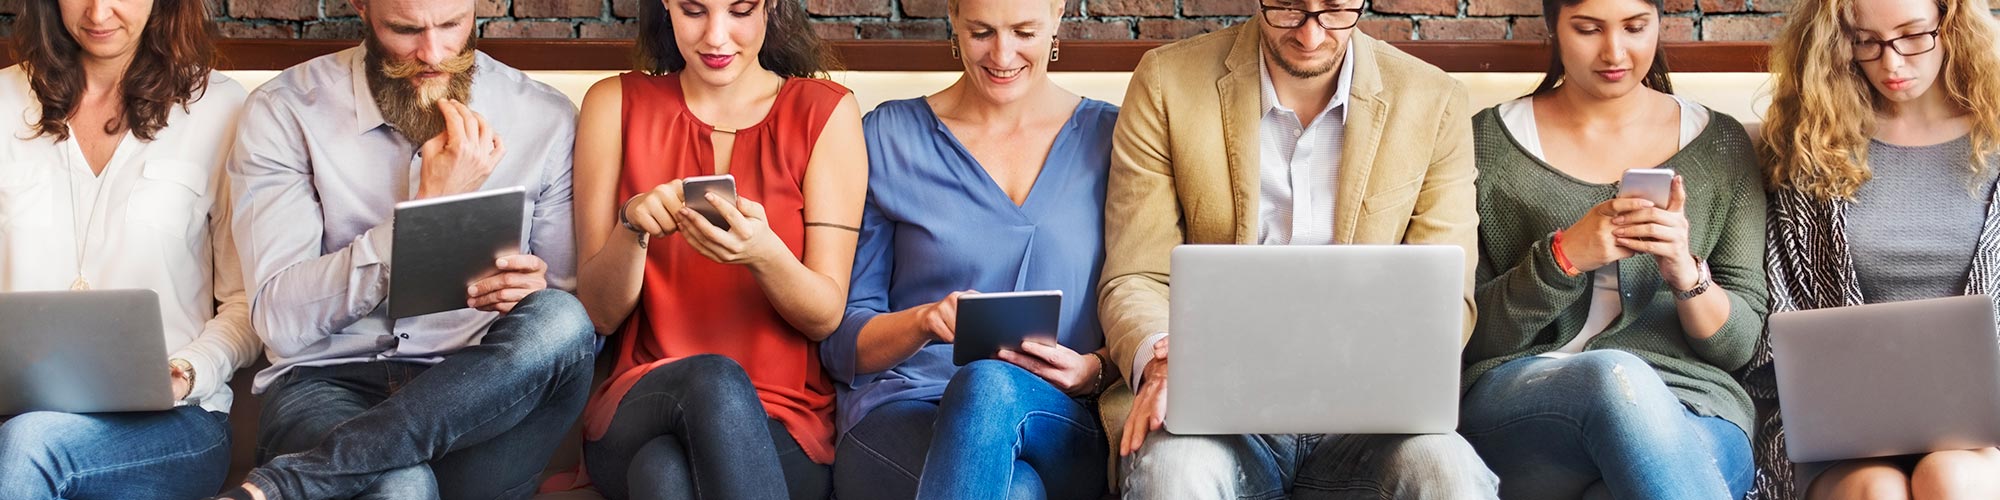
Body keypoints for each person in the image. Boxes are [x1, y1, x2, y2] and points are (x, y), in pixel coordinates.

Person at [1098, 0, 1499, 497]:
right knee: (1173, 474)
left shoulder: (1433, 101)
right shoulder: (1166, 82)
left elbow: (1447, 298)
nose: (1311, 36)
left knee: (1450, 474)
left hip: (1371, 417)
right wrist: (1162, 360)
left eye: (1334, 11)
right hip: (1218, 411)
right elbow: (1136, 275)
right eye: (1288, 9)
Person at [207, 0, 596, 498]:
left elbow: (564, 307)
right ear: (362, 9)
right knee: (401, 487)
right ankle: (352, 464)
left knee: (561, 318)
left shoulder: (545, 116)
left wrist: (527, 290)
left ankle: (296, 482)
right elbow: (280, 321)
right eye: (405, 29)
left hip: (479, 396)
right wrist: (430, 210)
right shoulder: (284, 110)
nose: (432, 53)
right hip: (329, 384)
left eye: (452, 25)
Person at [551, 0, 866, 497]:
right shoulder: (613, 103)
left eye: (740, 11)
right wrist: (632, 226)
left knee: (663, 474)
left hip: (781, 416)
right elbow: (598, 314)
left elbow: (824, 315)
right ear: (666, 8)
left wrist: (765, 255)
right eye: (694, 11)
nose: (716, 38)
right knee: (712, 380)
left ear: (772, 7)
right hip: (641, 399)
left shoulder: (825, 112)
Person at [1458, 0, 1769, 495]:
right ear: (1553, 27)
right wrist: (1563, 259)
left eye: (1635, 27)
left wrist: (1685, 274)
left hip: (1694, 407)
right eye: (1588, 29)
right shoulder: (1485, 142)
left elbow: (1738, 347)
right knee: (1615, 375)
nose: (1614, 51)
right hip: (1525, 400)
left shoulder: (1723, 144)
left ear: (1659, 24)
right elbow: (1466, 336)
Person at [820, 0, 1119, 498]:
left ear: (1057, 16)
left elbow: (1148, 294)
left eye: (1024, 31)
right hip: (904, 412)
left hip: (1059, 420)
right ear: (954, 20)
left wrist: (1095, 370)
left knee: (988, 384)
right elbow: (840, 342)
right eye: (982, 32)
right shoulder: (888, 136)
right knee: (1015, 491)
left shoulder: (1114, 137)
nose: (1002, 54)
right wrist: (922, 322)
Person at [0, 0, 256, 497]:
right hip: (17, 412)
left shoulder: (221, 109)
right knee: (28, 437)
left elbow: (246, 305)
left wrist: (185, 371)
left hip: (174, 422)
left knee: (32, 444)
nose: (99, 12)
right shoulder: (2, 101)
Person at [1755, 0, 2000, 496]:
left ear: (1950, 23)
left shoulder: (1993, 135)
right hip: (1847, 430)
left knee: (1950, 477)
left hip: (1984, 427)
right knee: (1877, 490)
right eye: (1865, 40)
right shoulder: (1812, 146)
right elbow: (1781, 307)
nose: (1891, 63)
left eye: (1912, 35)